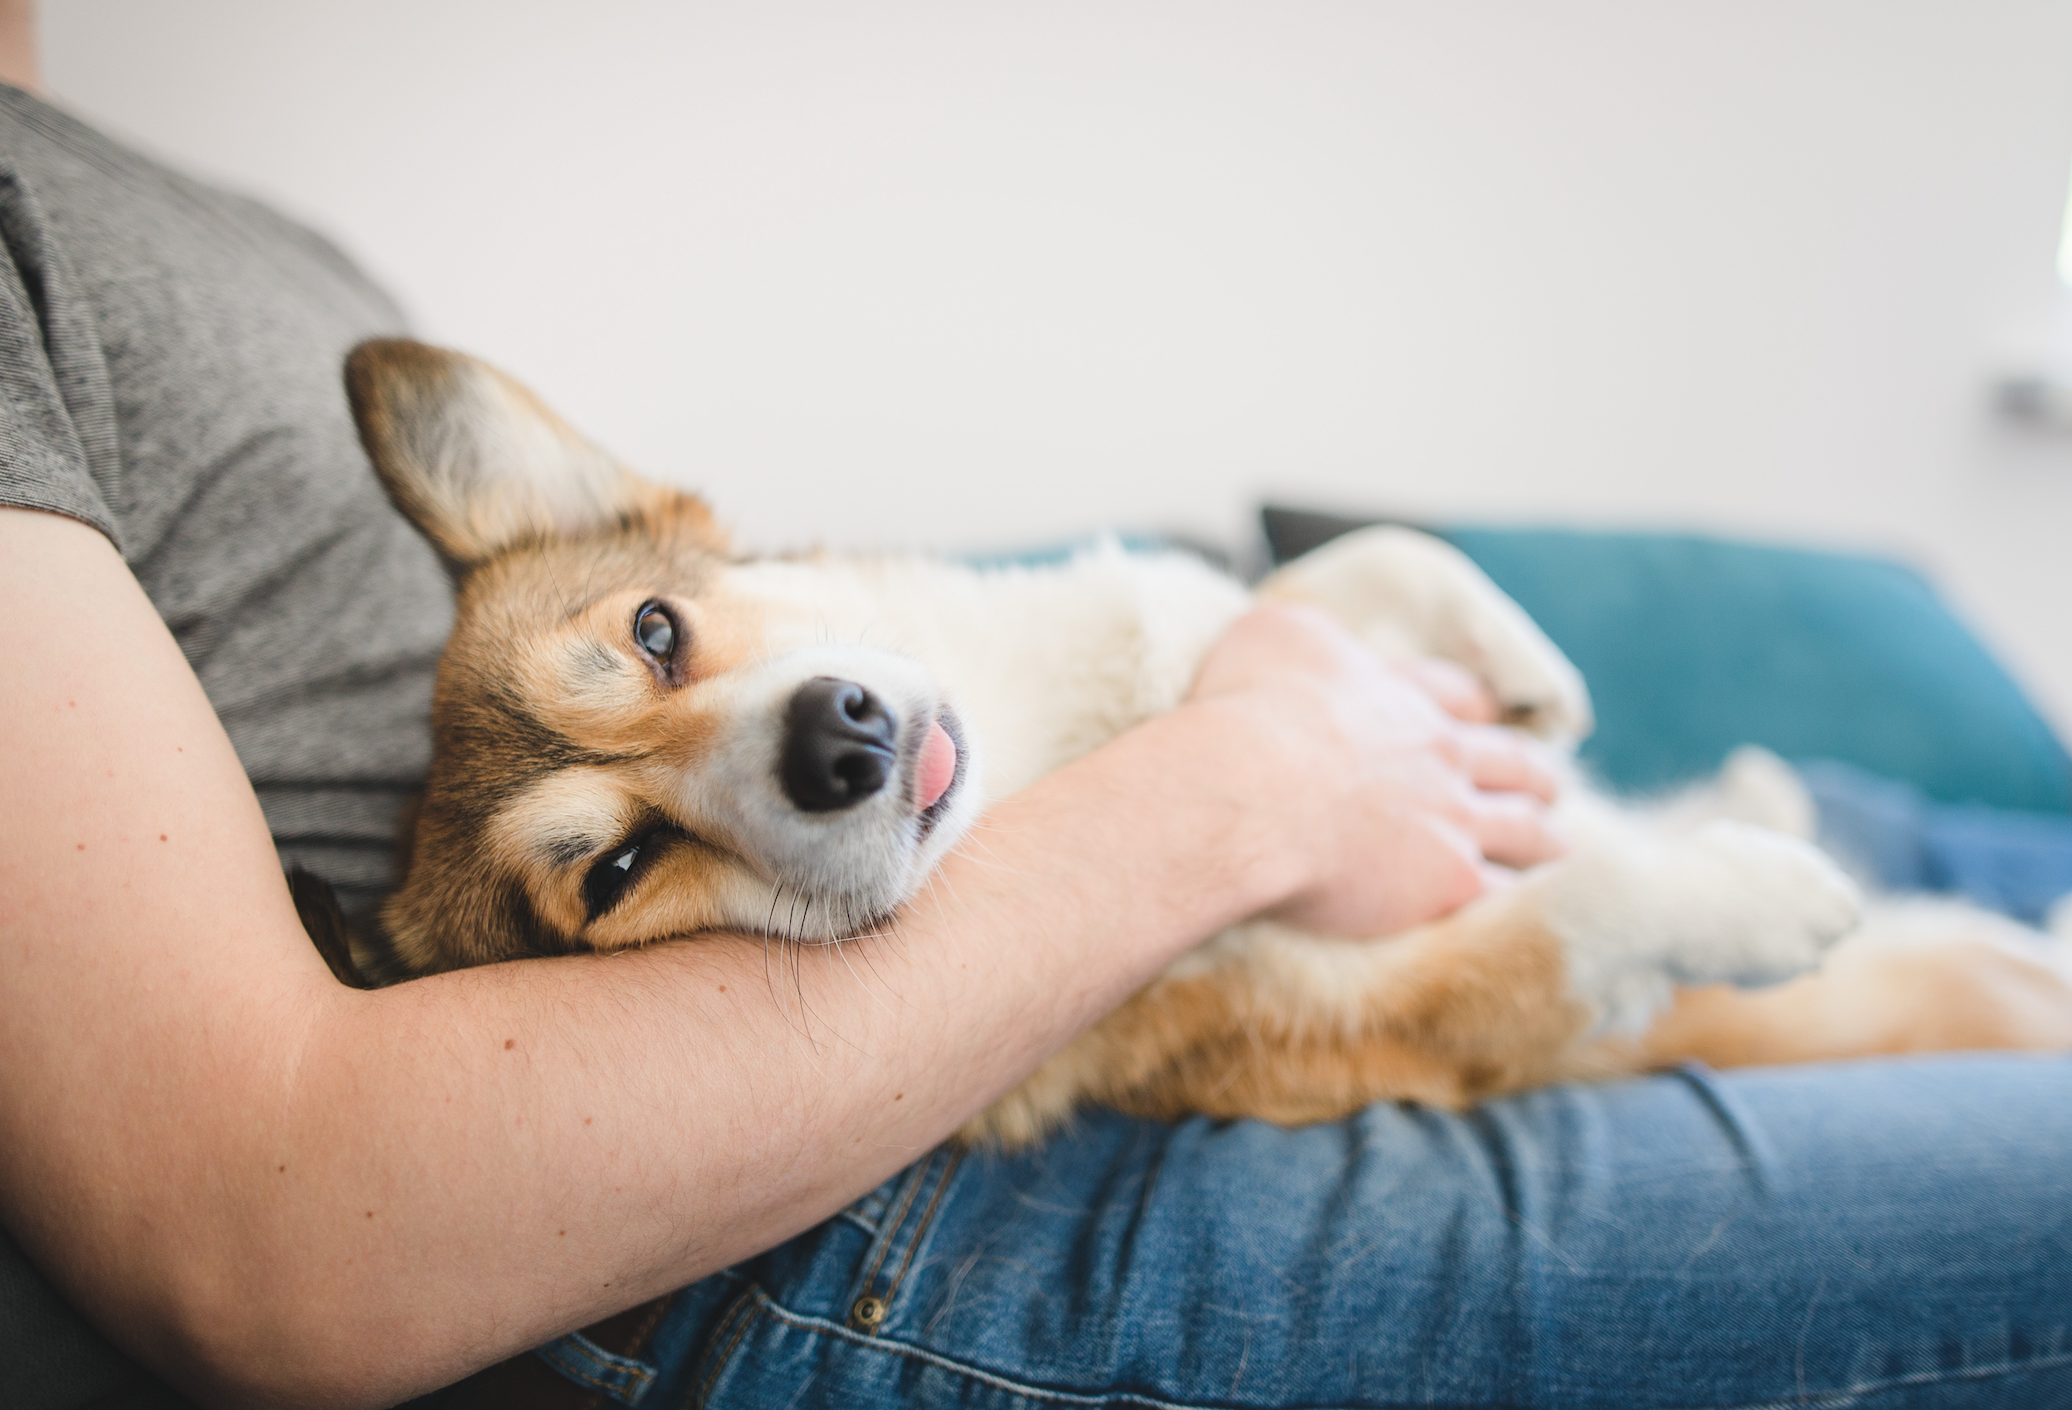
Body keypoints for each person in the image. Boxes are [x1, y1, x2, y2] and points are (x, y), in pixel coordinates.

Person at [0, 9, 2065, 1408]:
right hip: (848, 1204)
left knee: (1971, 841)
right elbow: (274, 1236)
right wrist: (1251, 784)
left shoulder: (182, 193)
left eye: (656, 649)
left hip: (1065, 902)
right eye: (612, 856)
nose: (765, 738)